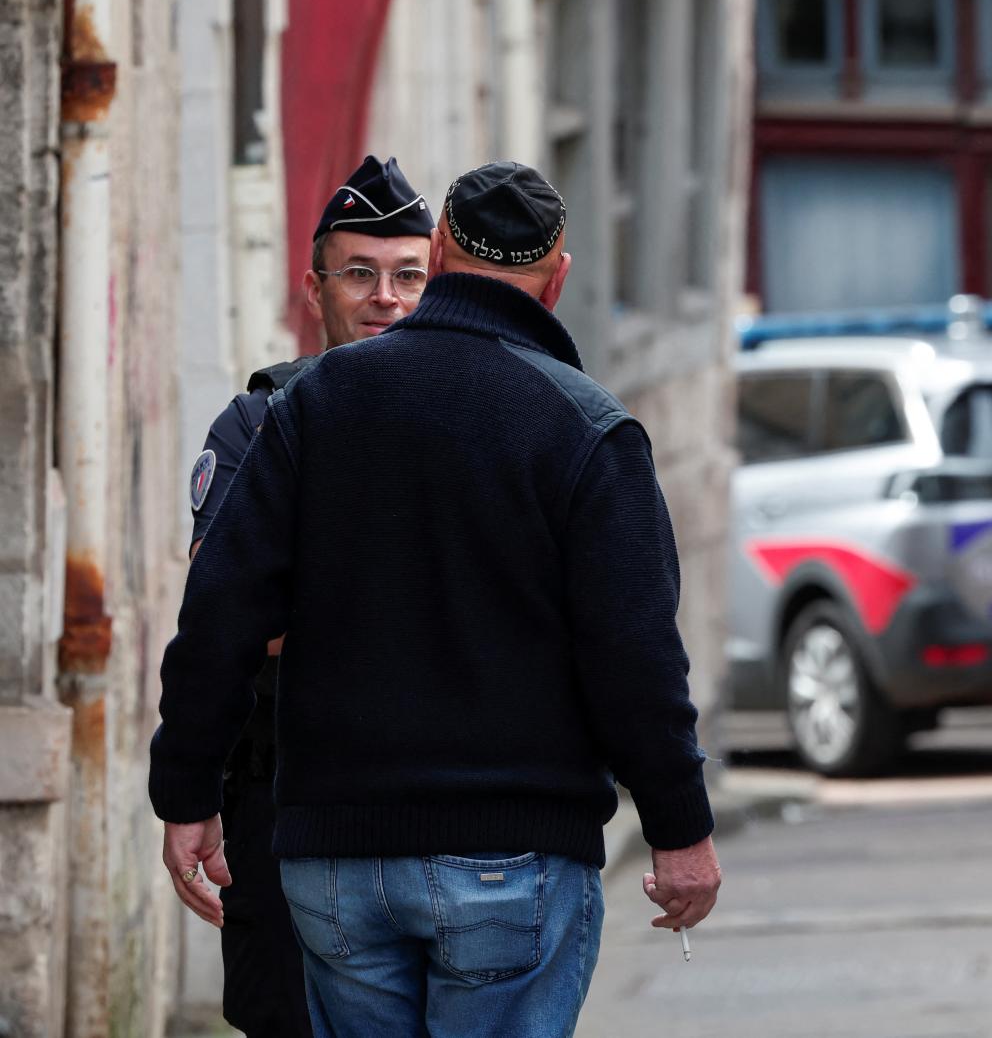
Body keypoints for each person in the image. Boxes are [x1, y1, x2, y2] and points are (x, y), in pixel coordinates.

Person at [151, 161, 720, 1036]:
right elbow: (635, 654)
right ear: (557, 279)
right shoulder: (588, 428)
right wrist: (679, 829)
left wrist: (186, 792)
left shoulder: (314, 406)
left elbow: (220, 609)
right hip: (515, 857)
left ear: (441, 255)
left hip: (336, 860)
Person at [183, 154, 435, 1037]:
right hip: (283, 803)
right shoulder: (257, 423)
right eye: (359, 273)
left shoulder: (474, 415)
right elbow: (235, 619)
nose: (386, 297)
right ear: (314, 286)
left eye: (410, 275)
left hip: (437, 812)